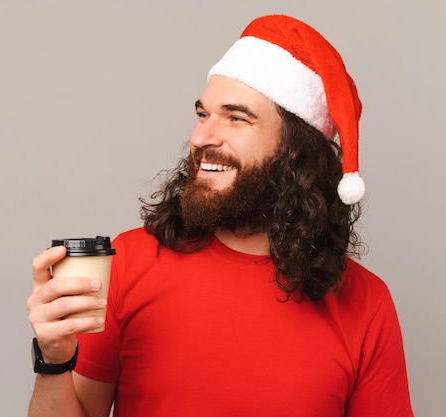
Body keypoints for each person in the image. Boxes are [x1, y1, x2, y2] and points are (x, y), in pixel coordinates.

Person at [26, 14, 414, 417]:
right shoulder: (128, 263)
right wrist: (53, 361)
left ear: (296, 150)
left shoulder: (366, 305)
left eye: (236, 117)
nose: (200, 137)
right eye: (202, 114)